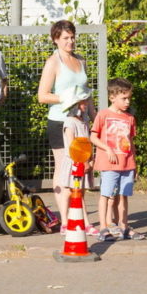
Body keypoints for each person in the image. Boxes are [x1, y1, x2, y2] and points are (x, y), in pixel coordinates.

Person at [38, 20, 95, 233]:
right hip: (60, 122)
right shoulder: (53, 62)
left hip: (81, 123)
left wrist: (95, 118)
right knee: (64, 169)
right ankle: (65, 221)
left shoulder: (81, 60)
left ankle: (84, 221)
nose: (70, 41)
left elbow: (87, 94)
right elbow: (42, 96)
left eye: (72, 37)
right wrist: (66, 97)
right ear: (56, 39)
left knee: (82, 169)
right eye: (65, 38)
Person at [90, 77, 145, 241]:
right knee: (106, 195)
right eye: (124, 98)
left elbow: (131, 143)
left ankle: (124, 226)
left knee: (123, 196)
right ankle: (103, 228)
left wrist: (134, 165)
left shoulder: (129, 118)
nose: (127, 101)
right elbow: (93, 137)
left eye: (129, 98)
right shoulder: (103, 115)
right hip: (109, 165)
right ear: (112, 97)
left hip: (127, 164)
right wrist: (107, 149)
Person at [60, 85, 97, 236]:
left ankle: (83, 223)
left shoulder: (83, 121)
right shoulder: (70, 122)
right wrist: (82, 161)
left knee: (80, 192)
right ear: (74, 104)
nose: (86, 104)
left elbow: (87, 142)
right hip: (75, 163)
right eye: (83, 102)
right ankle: (65, 223)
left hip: (85, 161)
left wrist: (91, 158)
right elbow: (72, 145)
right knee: (70, 192)